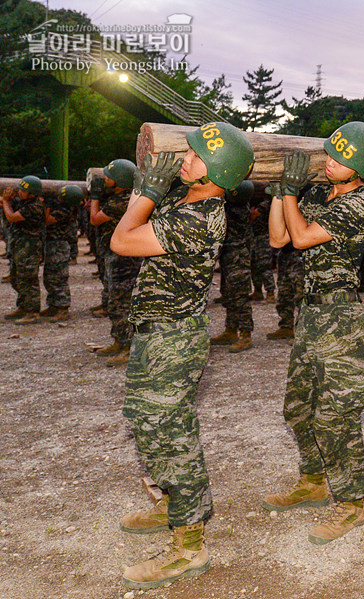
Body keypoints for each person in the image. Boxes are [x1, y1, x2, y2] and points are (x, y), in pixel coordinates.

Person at [112, 121, 254, 589]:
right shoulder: (189, 199)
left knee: (172, 438)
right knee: (150, 426)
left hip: (172, 339)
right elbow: (143, 215)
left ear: (215, 173)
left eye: (194, 155)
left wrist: (148, 191)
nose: (185, 158)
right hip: (160, 335)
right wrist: (148, 186)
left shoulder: (200, 215)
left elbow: (122, 240)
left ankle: (189, 548)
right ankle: (171, 506)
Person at [263, 122, 364, 544]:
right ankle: (313, 480)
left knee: (336, 416)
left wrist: (291, 194)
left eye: (341, 159)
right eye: (330, 154)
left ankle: (351, 504)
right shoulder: (317, 193)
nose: (330, 161)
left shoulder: (359, 204)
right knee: (297, 408)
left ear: (360, 168)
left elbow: (301, 237)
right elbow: (279, 237)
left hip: (340, 317)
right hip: (310, 315)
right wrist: (282, 192)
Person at [97, 159, 142, 367]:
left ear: (120, 182)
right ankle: (119, 341)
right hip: (116, 256)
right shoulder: (124, 197)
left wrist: (95, 198)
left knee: (122, 303)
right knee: (114, 301)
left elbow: (94, 219)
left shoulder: (120, 202)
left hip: (124, 259)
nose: (105, 179)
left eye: (109, 177)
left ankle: (128, 347)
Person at [210, 180, 256, 352]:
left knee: (240, 297)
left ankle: (245, 335)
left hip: (238, 259)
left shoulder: (236, 211)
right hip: (230, 258)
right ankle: (230, 330)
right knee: (229, 294)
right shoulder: (240, 207)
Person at [1, 176, 44, 324]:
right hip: (19, 246)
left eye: (23, 190)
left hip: (29, 247)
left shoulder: (35, 206)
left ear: (32, 193)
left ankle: (33, 312)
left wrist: (6, 201)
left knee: (28, 279)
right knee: (16, 278)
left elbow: (12, 217)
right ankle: (23, 306)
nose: (20, 192)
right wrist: (6, 199)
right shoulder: (24, 202)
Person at [40, 184, 82, 321]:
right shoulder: (64, 206)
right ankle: (54, 304)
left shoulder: (65, 210)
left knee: (58, 277)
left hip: (59, 245)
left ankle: (62, 307)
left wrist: (47, 206)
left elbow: (47, 220)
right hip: (53, 244)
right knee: (50, 276)